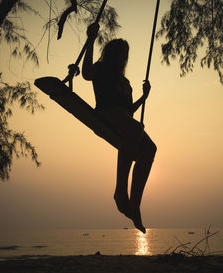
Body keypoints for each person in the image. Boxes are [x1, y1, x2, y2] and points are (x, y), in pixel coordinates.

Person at [82, 23, 157, 233]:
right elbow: (86, 73)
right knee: (134, 130)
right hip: (105, 114)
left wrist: (143, 97)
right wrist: (90, 39)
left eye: (126, 55)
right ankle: (120, 192)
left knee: (151, 149)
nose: (124, 58)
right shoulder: (102, 68)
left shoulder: (126, 82)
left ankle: (135, 204)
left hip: (123, 119)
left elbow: (129, 112)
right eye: (122, 54)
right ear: (113, 54)